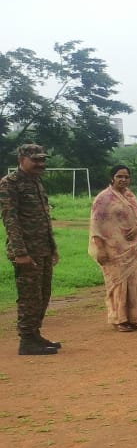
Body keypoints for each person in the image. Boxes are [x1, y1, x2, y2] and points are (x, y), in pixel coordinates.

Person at [1, 144, 60, 355]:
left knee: (43, 293)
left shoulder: (36, 182)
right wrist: (20, 253)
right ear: (21, 159)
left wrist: (52, 248)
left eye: (42, 160)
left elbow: (44, 218)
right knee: (29, 296)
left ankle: (35, 334)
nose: (40, 164)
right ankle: (26, 339)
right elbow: (11, 220)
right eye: (35, 160)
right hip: (26, 251)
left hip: (43, 248)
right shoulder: (10, 184)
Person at [89, 165, 137, 333]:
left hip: (131, 248)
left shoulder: (130, 196)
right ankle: (118, 319)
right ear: (112, 178)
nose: (123, 180)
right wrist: (100, 249)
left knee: (132, 281)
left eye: (126, 177)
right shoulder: (103, 199)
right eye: (119, 176)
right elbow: (96, 225)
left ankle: (133, 318)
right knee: (117, 283)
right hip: (112, 249)